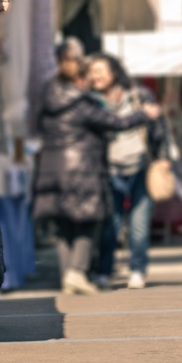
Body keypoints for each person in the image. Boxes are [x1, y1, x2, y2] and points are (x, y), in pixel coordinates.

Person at [32, 39, 157, 294]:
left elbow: (35, 126)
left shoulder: (48, 95)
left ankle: (68, 277)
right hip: (81, 169)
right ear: (79, 78)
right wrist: (144, 114)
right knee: (90, 221)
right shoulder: (80, 102)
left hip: (51, 169)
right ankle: (77, 271)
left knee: (64, 225)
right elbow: (114, 122)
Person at [85, 54, 165, 290]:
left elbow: (158, 126)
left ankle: (138, 269)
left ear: (114, 72)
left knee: (139, 225)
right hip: (108, 169)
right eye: (92, 71)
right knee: (111, 224)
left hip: (141, 167)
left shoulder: (139, 95)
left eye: (100, 70)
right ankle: (104, 270)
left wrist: (163, 156)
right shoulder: (90, 100)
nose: (95, 75)